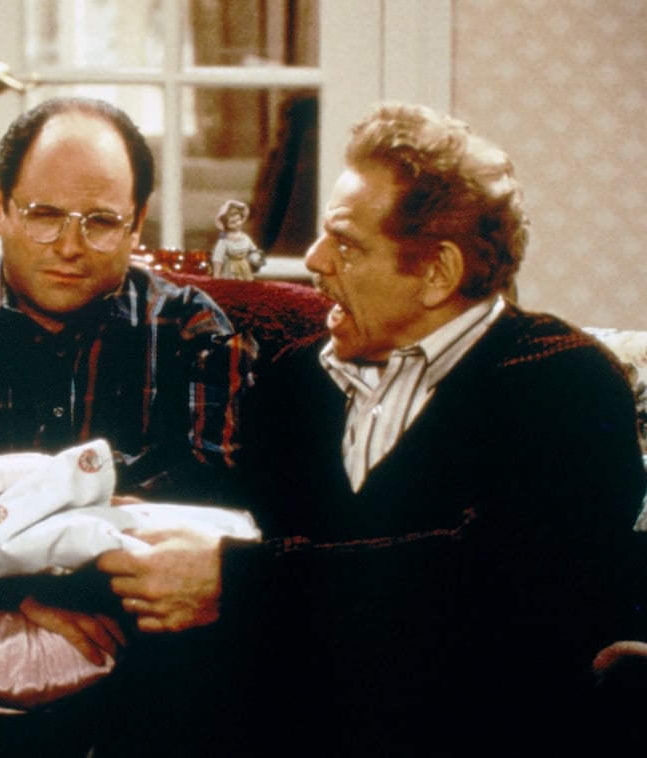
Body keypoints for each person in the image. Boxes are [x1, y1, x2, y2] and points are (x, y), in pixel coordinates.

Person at [94, 102, 647, 754]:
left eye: (347, 244)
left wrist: (239, 582)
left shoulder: (570, 382)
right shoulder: (300, 375)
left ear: (437, 272)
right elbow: (240, 527)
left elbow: (488, 586)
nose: (314, 259)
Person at [0, 96, 254, 755]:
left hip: (139, 675)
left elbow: (199, 495)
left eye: (101, 222)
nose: (69, 246)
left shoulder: (192, 333)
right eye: (44, 215)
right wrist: (16, 591)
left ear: (137, 222)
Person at [210, 199, 264, 280]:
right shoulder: (224, 239)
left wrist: (256, 258)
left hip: (245, 269)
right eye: (233, 222)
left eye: (238, 220)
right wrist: (216, 274)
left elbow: (253, 250)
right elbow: (218, 257)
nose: (237, 224)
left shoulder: (245, 237)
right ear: (226, 224)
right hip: (230, 270)